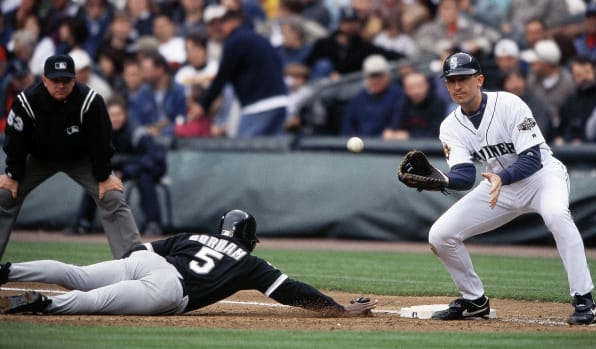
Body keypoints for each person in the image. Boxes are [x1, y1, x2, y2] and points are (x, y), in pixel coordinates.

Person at [416, 52, 596, 325]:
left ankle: (584, 299)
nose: (457, 86)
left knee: (557, 216)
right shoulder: (450, 126)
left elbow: (532, 159)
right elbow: (465, 175)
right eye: (451, 81)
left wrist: (504, 177)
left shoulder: (509, 103)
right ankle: (474, 301)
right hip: (499, 186)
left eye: (463, 79)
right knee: (441, 235)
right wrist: (444, 181)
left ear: (479, 80)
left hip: (542, 178)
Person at [0, 209, 377, 316]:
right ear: (249, 240)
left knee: (78, 275)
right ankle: (44, 304)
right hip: (168, 289)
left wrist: (132, 268)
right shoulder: (249, 262)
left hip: (148, 265)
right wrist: (336, 309)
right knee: (94, 302)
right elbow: (290, 291)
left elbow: (140, 252)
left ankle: (9, 270)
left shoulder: (194, 236)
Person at [0, 54, 141, 260]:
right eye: (55, 80)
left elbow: (101, 141)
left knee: (111, 196)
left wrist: (103, 176)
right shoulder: (27, 101)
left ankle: (134, 262)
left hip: (80, 159)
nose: (60, 85)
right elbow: (15, 140)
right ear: (44, 79)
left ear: (75, 80)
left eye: (66, 80)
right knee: (5, 195)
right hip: (39, 158)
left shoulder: (90, 101)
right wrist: (13, 172)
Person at [67, 95, 166, 236]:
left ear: (125, 114)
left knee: (145, 178)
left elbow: (150, 160)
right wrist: (108, 171)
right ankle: (83, 222)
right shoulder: (102, 132)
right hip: (119, 170)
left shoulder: (137, 133)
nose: (115, 118)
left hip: (147, 168)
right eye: (111, 114)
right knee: (95, 177)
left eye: (118, 114)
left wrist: (125, 172)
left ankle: (153, 223)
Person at [198, 8, 289, 137]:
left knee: (245, 153)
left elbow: (222, 77)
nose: (218, 29)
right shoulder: (256, 38)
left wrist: (203, 105)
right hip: (280, 101)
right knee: (271, 154)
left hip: (259, 106)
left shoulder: (235, 41)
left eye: (221, 23)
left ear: (230, 23)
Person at [340, 54, 404, 137]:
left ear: (387, 76)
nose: (376, 80)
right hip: (360, 144)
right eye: (373, 76)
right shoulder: (358, 98)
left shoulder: (397, 95)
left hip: (385, 145)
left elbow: (395, 124)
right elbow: (347, 126)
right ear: (367, 78)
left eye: (380, 76)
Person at [383, 70, 448, 140]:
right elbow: (394, 127)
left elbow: (437, 134)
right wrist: (390, 132)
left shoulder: (438, 104)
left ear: (427, 86)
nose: (415, 91)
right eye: (411, 87)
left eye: (419, 86)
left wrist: (409, 136)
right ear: (405, 89)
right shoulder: (403, 103)